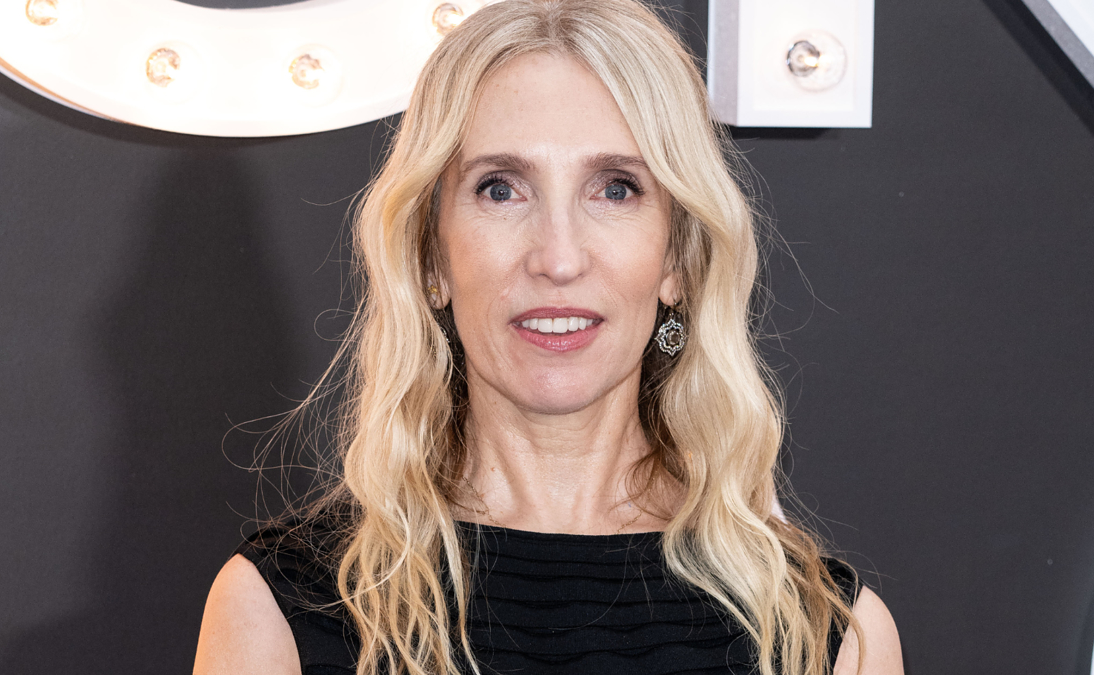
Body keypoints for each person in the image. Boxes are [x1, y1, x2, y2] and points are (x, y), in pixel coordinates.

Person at [193, 1, 904, 673]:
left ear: (677, 259)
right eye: (501, 189)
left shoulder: (827, 634)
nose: (558, 259)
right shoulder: (280, 608)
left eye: (615, 188)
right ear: (432, 257)